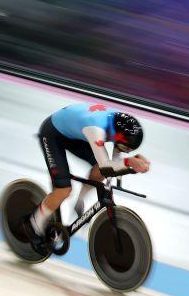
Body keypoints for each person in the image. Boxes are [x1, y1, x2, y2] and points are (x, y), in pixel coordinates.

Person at [23, 103, 151, 252]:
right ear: (119, 136)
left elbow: (113, 163)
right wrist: (130, 162)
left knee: (100, 171)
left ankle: (79, 201)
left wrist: (131, 162)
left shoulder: (119, 126)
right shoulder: (96, 128)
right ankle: (32, 224)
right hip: (53, 134)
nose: (123, 150)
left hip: (75, 133)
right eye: (124, 147)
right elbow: (107, 166)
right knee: (63, 190)